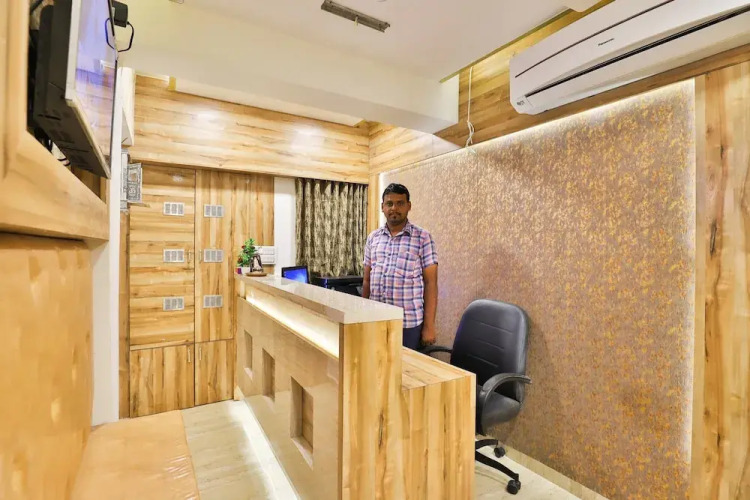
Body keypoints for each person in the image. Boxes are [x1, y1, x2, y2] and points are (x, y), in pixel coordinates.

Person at [363, 183, 438, 350]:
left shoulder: (422, 238)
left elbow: (431, 284)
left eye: (400, 203)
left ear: (408, 206)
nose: (394, 208)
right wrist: (363, 314)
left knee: (406, 366)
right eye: (389, 203)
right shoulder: (373, 238)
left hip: (408, 325)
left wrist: (429, 326)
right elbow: (367, 280)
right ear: (382, 207)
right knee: (376, 364)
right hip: (376, 319)